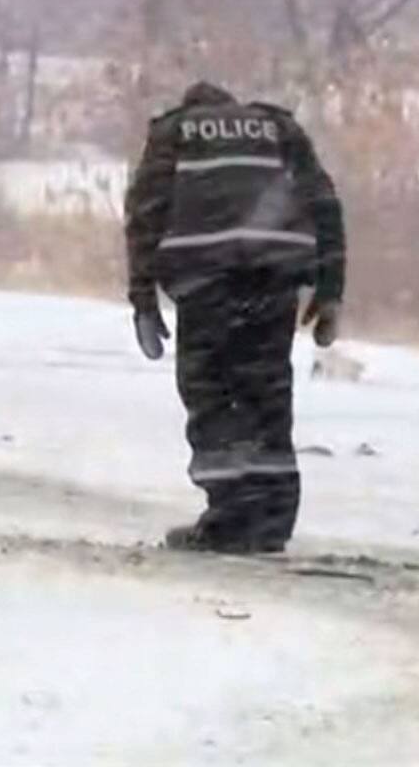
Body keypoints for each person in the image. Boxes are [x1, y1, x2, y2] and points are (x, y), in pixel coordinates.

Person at [124, 80, 345, 554]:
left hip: (209, 281)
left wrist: (143, 298)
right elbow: (324, 205)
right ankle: (271, 520)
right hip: (273, 280)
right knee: (266, 392)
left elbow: (146, 212)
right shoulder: (279, 128)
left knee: (213, 393)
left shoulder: (176, 132)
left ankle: (228, 519)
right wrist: (330, 292)